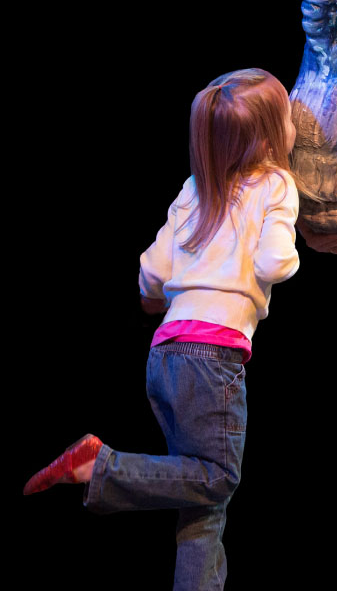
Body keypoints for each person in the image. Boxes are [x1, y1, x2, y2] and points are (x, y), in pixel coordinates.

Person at [23, 68, 306, 591]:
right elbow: (273, 264)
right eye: (289, 118)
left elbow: (152, 270)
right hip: (213, 358)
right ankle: (100, 466)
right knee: (218, 478)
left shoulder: (197, 186)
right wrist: (290, 256)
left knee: (202, 505)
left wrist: (156, 300)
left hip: (166, 353)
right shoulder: (278, 184)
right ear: (268, 138)